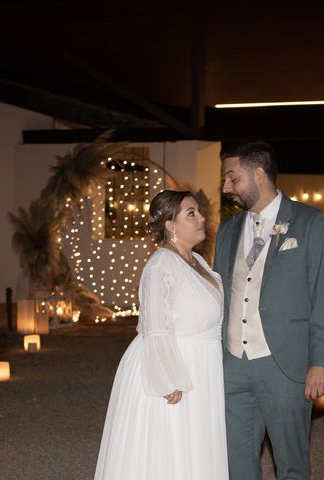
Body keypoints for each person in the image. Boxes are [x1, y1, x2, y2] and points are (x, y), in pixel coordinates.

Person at [213, 141, 324, 480]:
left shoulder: (311, 223)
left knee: (292, 463)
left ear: (258, 174)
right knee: (235, 462)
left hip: (285, 363)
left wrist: (320, 362)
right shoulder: (226, 231)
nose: (226, 187)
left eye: (232, 178)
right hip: (232, 365)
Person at [94, 190, 229, 480]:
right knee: (171, 450)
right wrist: (169, 379)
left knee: (197, 449)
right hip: (173, 370)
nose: (201, 218)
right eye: (191, 213)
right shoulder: (160, 266)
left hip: (203, 367)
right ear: (170, 225)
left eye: (199, 212)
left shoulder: (198, 262)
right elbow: (155, 326)